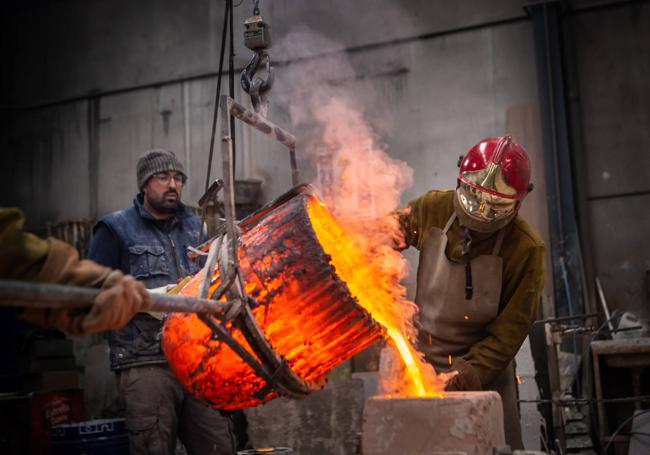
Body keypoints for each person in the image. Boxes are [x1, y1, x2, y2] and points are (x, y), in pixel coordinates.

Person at [398, 136, 545, 449]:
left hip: (484, 378)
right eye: (472, 198)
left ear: (519, 203)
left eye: (495, 207)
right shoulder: (434, 209)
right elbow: (387, 233)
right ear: (460, 181)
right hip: (420, 366)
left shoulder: (526, 249)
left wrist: (460, 378)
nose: (479, 213)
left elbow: (508, 336)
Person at [88, 149, 237, 455]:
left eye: (178, 178)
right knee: (153, 447)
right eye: (163, 177)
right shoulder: (115, 229)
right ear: (144, 184)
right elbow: (93, 294)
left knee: (218, 444)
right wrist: (146, 300)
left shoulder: (196, 229)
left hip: (197, 360)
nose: (173, 184)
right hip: (145, 364)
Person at [0, 207, 150, 335]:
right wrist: (84, 282)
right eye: (162, 177)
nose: (172, 184)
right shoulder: (114, 226)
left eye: (175, 177)